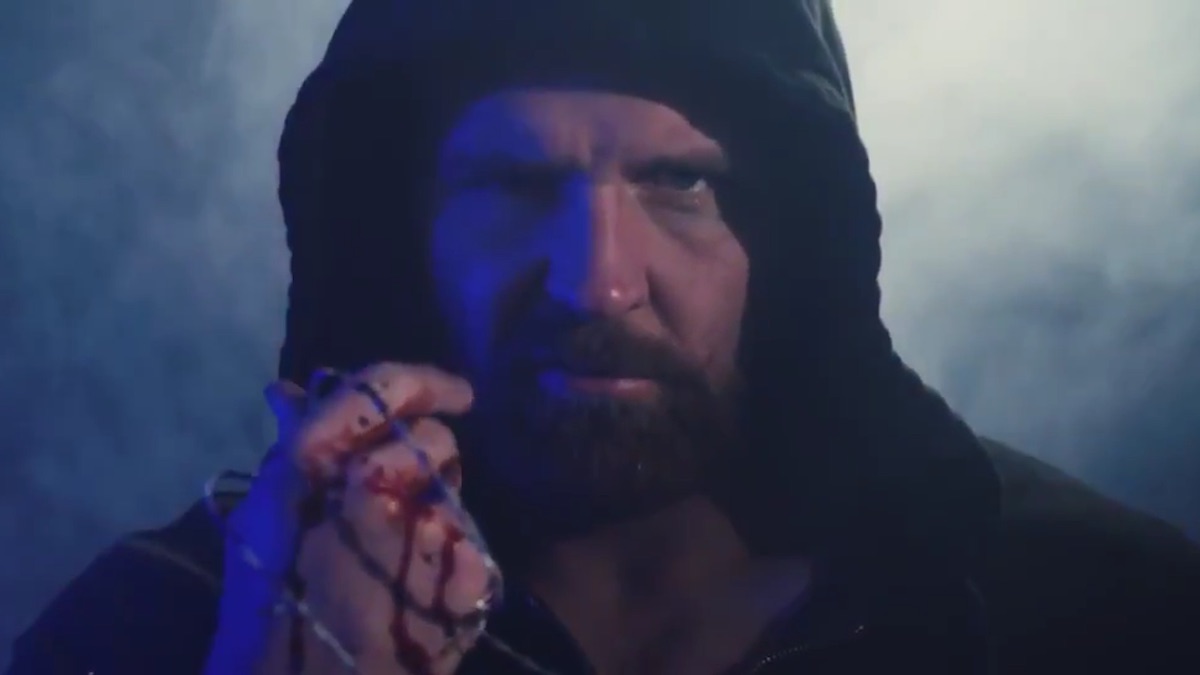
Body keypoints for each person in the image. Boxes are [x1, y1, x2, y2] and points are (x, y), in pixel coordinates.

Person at [9, 1, 1200, 673]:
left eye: (682, 184)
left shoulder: (1089, 609)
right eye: (513, 185)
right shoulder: (164, 623)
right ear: (396, 233)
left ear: (798, 237)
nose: (596, 283)